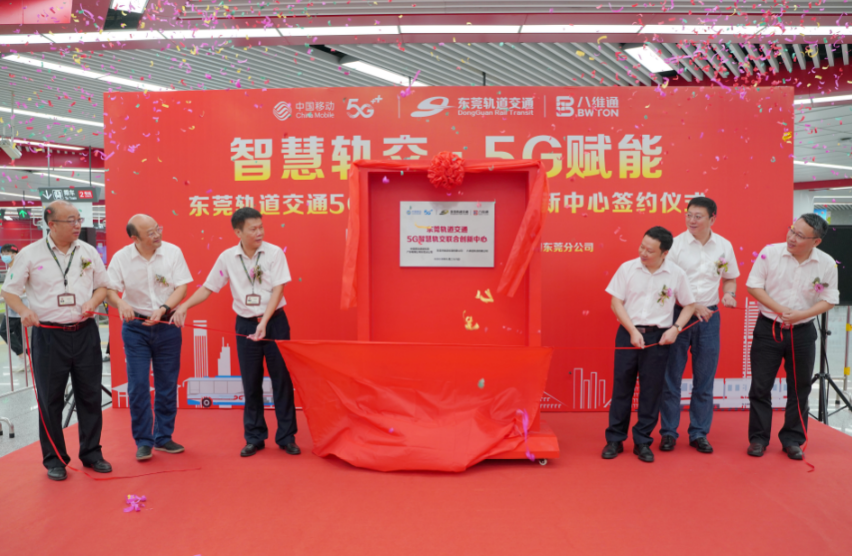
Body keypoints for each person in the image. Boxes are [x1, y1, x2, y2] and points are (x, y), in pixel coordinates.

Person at [172, 207, 300, 458]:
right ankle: (254, 437)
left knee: (281, 380)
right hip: (246, 325)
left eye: (261, 227)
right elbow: (208, 287)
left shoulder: (274, 253)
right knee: (250, 381)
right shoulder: (228, 258)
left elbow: (278, 289)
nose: (259, 232)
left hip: (274, 322)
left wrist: (264, 321)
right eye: (253, 229)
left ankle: (287, 437)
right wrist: (185, 306)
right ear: (238, 232)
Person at [1, 201, 112, 481]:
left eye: (79, 219)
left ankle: (92, 453)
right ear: (51, 224)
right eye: (71, 220)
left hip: (85, 332)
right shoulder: (29, 254)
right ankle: (55, 459)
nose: (77, 225)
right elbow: (9, 291)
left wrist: (93, 301)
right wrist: (24, 311)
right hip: (49, 335)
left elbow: (103, 285)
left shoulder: (87, 251)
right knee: (50, 399)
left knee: (90, 396)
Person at [745, 214, 839, 460]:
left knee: (800, 388)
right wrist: (780, 310)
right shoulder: (770, 253)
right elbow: (753, 286)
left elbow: (830, 299)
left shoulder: (826, 263)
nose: (792, 238)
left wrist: (801, 315)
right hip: (769, 329)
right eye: (792, 230)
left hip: (803, 332)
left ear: (816, 241)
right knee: (760, 386)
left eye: (800, 235)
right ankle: (758, 438)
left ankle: (793, 439)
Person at [602, 226, 696, 463]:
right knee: (622, 387)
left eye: (650, 250)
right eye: (642, 247)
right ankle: (615, 439)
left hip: (658, 339)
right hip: (628, 333)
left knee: (651, 391)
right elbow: (615, 303)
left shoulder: (676, 274)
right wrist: (632, 331)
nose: (643, 252)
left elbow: (690, 305)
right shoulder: (627, 268)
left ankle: (643, 440)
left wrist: (675, 329)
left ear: (664, 253)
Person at [107, 214, 192, 461]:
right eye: (150, 233)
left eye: (158, 229)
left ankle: (163, 437)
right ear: (135, 238)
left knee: (167, 384)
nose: (157, 235)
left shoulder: (173, 252)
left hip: (167, 326)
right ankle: (143, 441)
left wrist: (164, 308)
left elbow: (182, 287)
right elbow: (110, 291)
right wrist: (121, 303)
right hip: (136, 328)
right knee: (138, 386)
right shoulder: (121, 258)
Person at [658, 197, 739, 454]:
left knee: (704, 379)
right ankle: (668, 432)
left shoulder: (724, 246)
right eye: (689, 215)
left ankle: (699, 433)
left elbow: (729, 278)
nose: (691, 220)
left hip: (709, 318)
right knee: (671, 378)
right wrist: (693, 306)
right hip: (677, 316)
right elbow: (666, 285)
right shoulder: (676, 246)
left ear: (712, 218)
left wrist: (729, 294)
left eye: (698, 216)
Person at [1, 244, 28, 373]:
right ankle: (25, 360)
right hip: (12, 307)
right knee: (18, 334)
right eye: (3, 253)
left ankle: (23, 356)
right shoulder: (10, 268)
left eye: (7, 253)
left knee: (4, 331)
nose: (4, 256)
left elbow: (24, 286)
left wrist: (10, 292)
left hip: (18, 306)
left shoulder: (20, 268)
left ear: (15, 254)